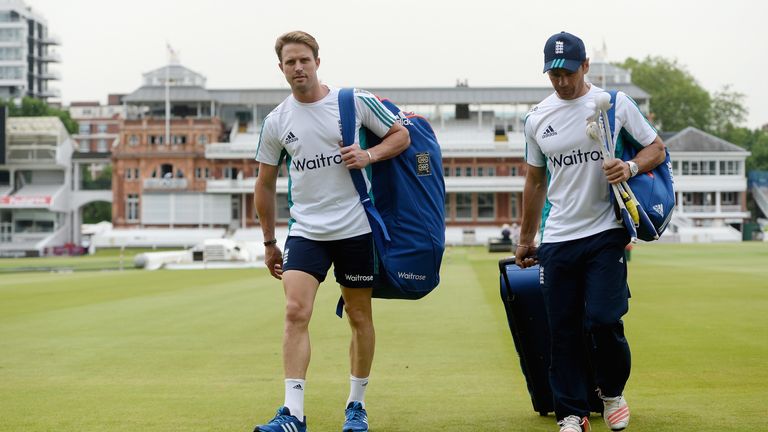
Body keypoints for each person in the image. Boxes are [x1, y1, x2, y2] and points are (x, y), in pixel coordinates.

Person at [252, 31, 410, 432]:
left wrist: (369, 154)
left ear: (317, 61)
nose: (298, 67)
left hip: (356, 227)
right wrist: (270, 241)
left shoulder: (351, 101)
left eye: (304, 59)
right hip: (305, 230)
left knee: (359, 315)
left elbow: (401, 134)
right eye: (290, 62)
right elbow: (264, 184)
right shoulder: (276, 121)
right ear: (281, 68)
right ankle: (293, 413)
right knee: (294, 311)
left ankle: (356, 406)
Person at [515, 31, 666, 432]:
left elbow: (657, 149)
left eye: (567, 72)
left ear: (585, 67)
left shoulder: (615, 104)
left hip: (605, 231)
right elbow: (534, 181)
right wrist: (526, 238)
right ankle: (571, 412)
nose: (561, 81)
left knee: (602, 320)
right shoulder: (536, 118)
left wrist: (630, 167)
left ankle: (612, 392)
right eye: (553, 73)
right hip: (558, 236)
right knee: (561, 330)